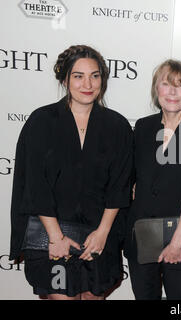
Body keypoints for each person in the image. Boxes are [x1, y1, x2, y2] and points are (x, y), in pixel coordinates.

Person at [9, 45, 133, 300]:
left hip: (98, 238)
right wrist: (56, 237)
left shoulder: (117, 126)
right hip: (53, 239)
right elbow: (35, 184)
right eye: (78, 76)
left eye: (95, 75)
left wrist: (102, 233)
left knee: (91, 297)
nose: (87, 83)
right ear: (65, 80)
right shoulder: (41, 121)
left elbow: (119, 186)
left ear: (102, 79)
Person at [123, 59, 181, 300]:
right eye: (166, 84)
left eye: (180, 85)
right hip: (141, 233)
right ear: (156, 90)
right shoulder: (143, 127)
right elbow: (131, 178)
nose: (172, 92)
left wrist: (176, 243)